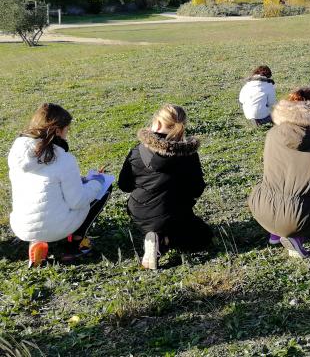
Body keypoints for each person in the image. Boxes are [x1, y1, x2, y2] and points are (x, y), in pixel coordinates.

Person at [248, 88, 310, 258]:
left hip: (260, 207)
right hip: (296, 217)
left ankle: (275, 233)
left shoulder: (272, 134)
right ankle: (294, 237)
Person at [7, 103, 111, 267]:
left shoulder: (17, 153)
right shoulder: (63, 159)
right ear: (57, 131)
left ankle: (36, 242)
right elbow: (77, 201)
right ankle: (76, 242)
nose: (66, 136)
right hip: (55, 226)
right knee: (103, 188)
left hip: (22, 226)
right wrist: (96, 182)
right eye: (66, 130)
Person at [118, 104, 212, 270]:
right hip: (174, 212)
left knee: (178, 226)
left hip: (140, 211)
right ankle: (164, 240)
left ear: (158, 123)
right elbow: (197, 188)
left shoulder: (137, 151)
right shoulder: (189, 154)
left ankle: (155, 237)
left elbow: (124, 185)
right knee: (204, 237)